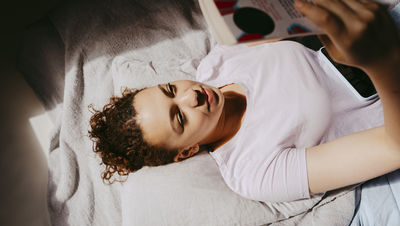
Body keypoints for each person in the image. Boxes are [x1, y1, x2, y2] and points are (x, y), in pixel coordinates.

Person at [89, 0, 400, 202]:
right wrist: (380, 60)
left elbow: (287, 21)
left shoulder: (216, 65)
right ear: (187, 151)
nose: (190, 96)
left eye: (171, 89)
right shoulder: (252, 173)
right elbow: (393, 148)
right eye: (180, 118)